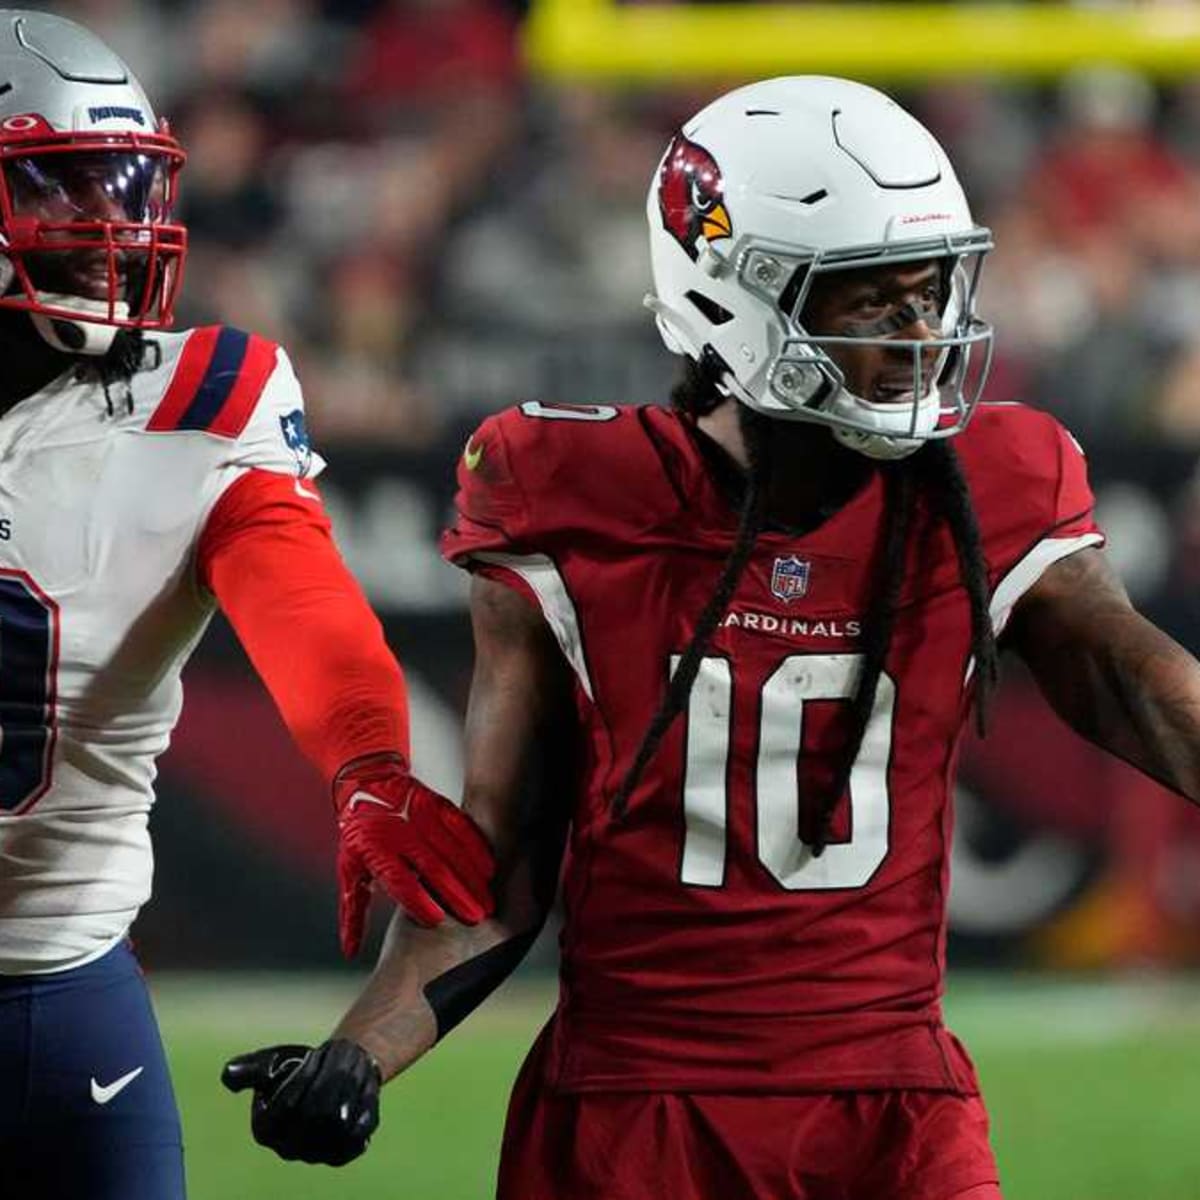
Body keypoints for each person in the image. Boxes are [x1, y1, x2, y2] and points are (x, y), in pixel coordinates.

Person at [224, 77, 1200, 1198]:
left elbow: (1134, 679)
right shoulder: (568, 494)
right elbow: (507, 858)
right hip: (636, 1108)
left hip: (893, 1101)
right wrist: (361, 1051)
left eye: (932, 295)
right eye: (872, 302)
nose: (923, 337)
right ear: (734, 297)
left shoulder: (991, 483)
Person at [0, 11, 494, 1200]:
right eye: (53, 190)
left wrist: (369, 763)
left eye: (117, 184)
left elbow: (302, 598)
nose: (107, 223)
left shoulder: (190, 408)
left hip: (61, 995)